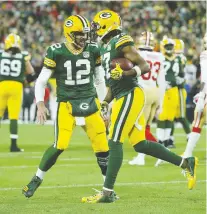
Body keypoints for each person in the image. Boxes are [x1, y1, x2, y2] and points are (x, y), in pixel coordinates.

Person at [83, 10, 198, 203]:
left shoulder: (121, 40)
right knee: (140, 144)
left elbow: (144, 67)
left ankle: (107, 192)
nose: (95, 29)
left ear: (107, 24)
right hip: (120, 96)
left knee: (114, 140)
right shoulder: (105, 48)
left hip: (131, 94)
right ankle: (185, 163)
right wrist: (105, 101)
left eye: (96, 25)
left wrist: (126, 74)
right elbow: (113, 81)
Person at [22, 15, 110, 198]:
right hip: (67, 104)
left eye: (86, 34)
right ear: (69, 34)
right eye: (80, 34)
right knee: (59, 145)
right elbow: (41, 81)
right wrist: (40, 104)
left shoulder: (94, 49)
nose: (84, 38)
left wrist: (104, 106)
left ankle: (107, 189)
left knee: (102, 146)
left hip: (91, 102)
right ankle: (36, 179)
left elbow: (100, 79)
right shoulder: (56, 51)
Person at [129, 31, 166, 165]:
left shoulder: (136, 54)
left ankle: (161, 153)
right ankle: (141, 157)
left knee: (140, 127)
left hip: (143, 91)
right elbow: (162, 80)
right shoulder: (159, 56)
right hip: (154, 91)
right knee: (147, 126)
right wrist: (161, 102)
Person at [0, 33, 35, 152]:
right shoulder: (23, 55)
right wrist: (25, 82)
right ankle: (13, 145)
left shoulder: (1, 54)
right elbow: (31, 73)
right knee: (14, 117)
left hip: (2, 85)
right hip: (16, 86)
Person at [183, 34, 207, 157]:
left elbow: (204, 78)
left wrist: (202, 95)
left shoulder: (204, 55)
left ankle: (187, 153)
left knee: (197, 122)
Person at [168, 39, 191, 148]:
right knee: (170, 116)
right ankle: (170, 139)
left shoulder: (180, 57)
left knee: (181, 116)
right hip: (172, 89)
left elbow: (180, 73)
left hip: (180, 89)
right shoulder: (173, 57)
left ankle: (190, 136)